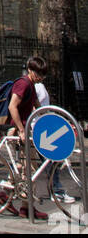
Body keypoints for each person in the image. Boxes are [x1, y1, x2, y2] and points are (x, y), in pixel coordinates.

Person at [0, 56, 50, 220]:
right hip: (17, 132)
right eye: (37, 72)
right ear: (30, 70)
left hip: (25, 132)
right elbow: (13, 106)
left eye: (43, 74)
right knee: (30, 171)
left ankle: (6, 194)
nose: (40, 76)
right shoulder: (23, 83)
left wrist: (54, 123)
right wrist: (21, 130)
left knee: (23, 168)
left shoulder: (32, 86)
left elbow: (39, 109)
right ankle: (26, 208)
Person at [34, 75, 77, 205]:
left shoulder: (36, 86)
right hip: (39, 129)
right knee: (51, 160)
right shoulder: (39, 87)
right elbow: (37, 107)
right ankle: (56, 191)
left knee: (32, 162)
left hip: (38, 128)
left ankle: (9, 184)